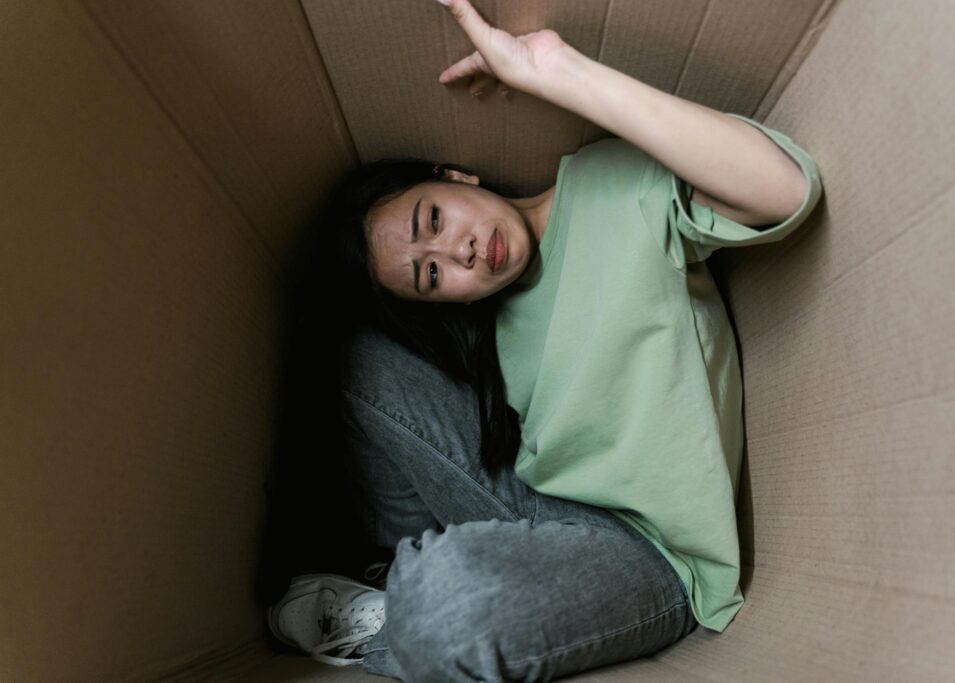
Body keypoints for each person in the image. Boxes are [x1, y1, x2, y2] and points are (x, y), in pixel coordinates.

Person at [265, 0, 822, 680]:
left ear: (455, 174)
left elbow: (787, 191)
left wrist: (556, 70)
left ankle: (395, 620)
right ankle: (405, 586)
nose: (460, 251)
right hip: (530, 517)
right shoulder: (487, 335)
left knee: (441, 604)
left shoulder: (612, 185)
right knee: (352, 356)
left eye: (434, 217)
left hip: (650, 558)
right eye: (431, 273)